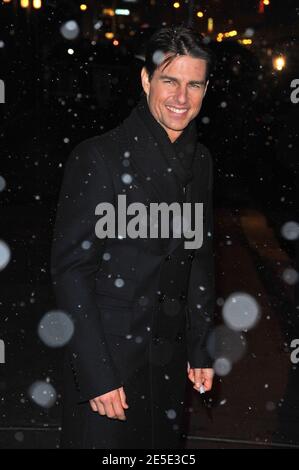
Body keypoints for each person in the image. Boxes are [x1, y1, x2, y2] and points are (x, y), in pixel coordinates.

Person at [51, 25, 215, 449]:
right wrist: (97, 374)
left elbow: (197, 257)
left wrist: (200, 347)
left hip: (167, 364)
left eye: (194, 84)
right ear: (146, 80)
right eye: (170, 80)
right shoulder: (99, 157)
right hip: (110, 364)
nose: (182, 98)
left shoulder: (201, 163)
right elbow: (71, 272)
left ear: (205, 88)